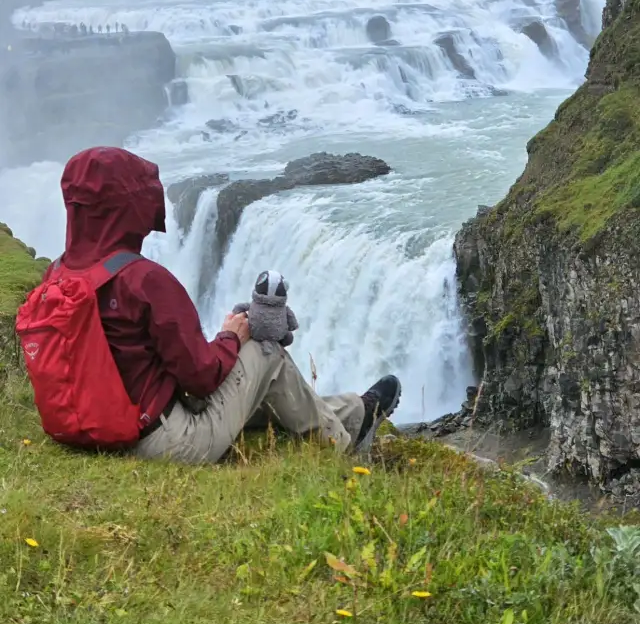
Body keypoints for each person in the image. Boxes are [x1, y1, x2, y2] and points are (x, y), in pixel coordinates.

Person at [50, 146, 401, 464]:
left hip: (86, 424)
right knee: (266, 351)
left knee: (260, 381)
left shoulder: (58, 274)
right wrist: (231, 337)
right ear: (130, 206)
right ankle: (344, 443)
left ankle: (355, 410)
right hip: (167, 442)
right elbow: (200, 378)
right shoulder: (143, 280)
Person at [232, 269, 298, 348]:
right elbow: (293, 325)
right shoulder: (284, 309)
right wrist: (292, 327)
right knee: (289, 337)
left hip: (255, 333)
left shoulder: (255, 304)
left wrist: (239, 314)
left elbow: (239, 308)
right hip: (277, 336)